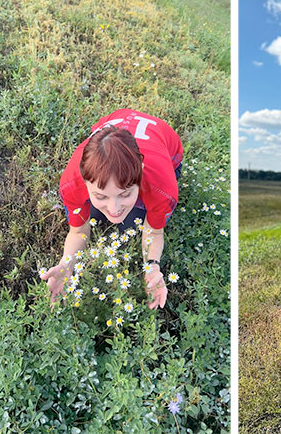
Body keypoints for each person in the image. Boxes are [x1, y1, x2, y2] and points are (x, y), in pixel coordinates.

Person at [40, 109, 183, 310]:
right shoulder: (71, 184)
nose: (114, 209)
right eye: (101, 195)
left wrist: (152, 266)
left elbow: (154, 231)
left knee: (131, 223)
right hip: (116, 118)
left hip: (163, 139)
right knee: (97, 218)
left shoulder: (162, 189)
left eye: (125, 194)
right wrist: (67, 263)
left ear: (141, 171)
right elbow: (78, 231)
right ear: (84, 179)